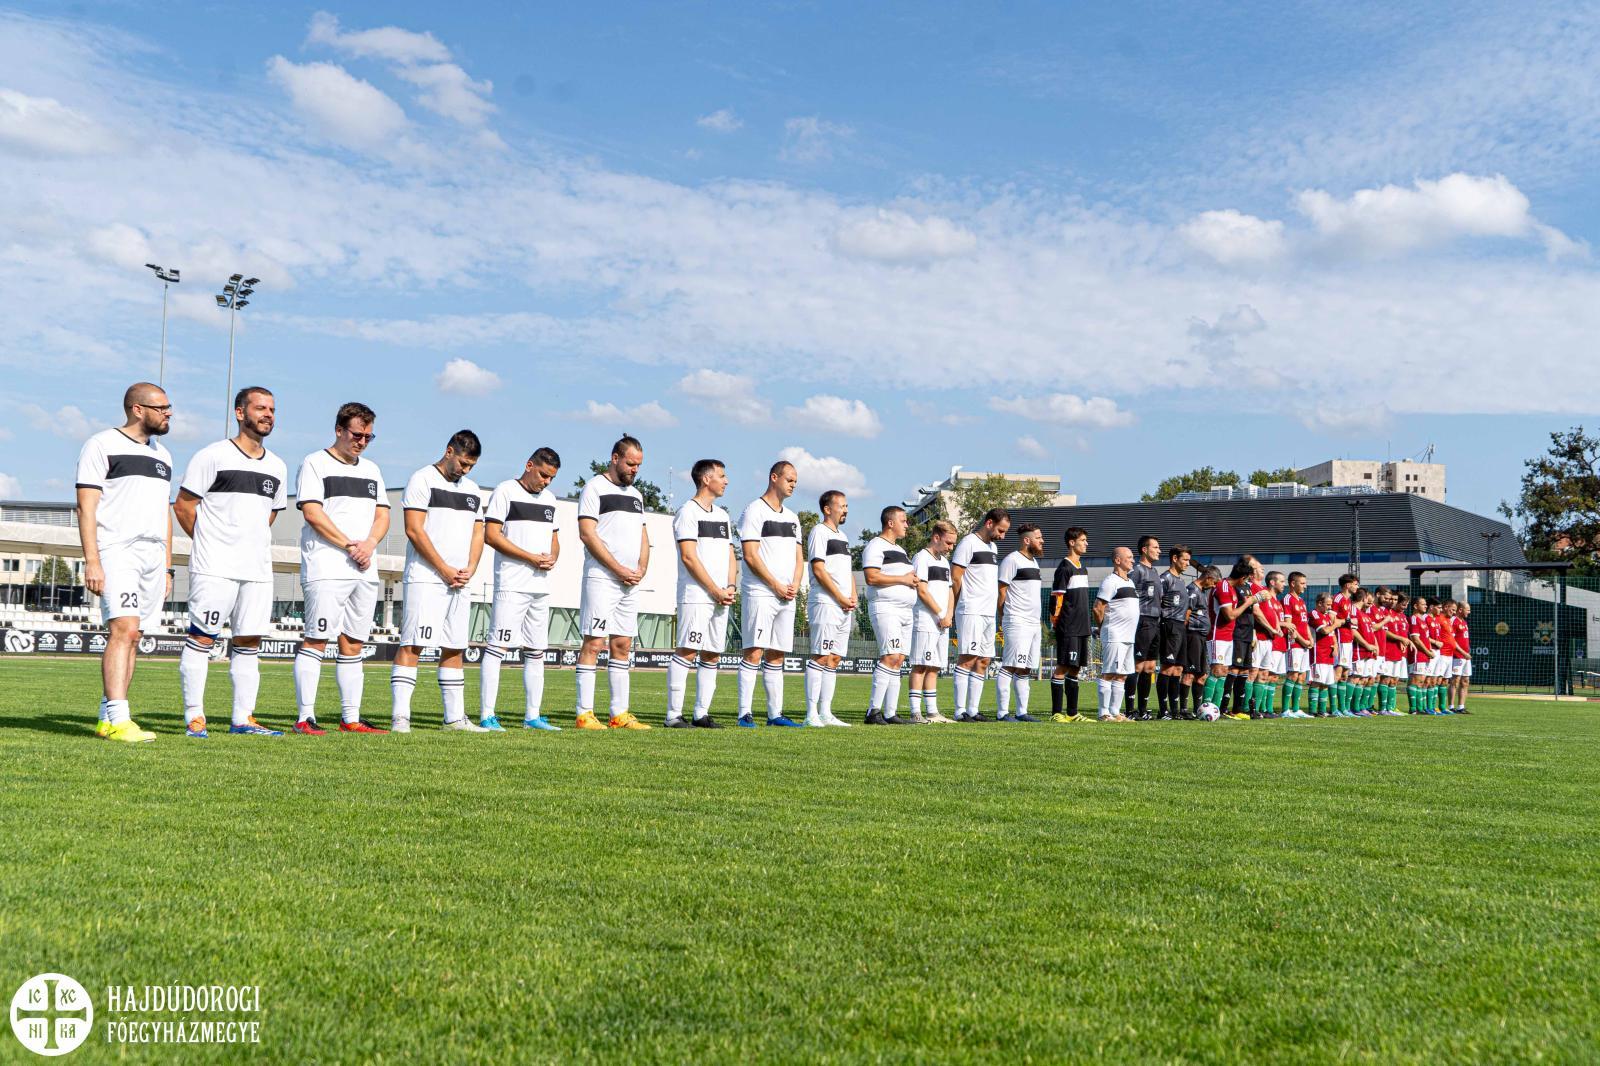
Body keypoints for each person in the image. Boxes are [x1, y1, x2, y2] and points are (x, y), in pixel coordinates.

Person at [174, 386, 288, 737]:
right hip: (215, 566)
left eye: (272, 409)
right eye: (260, 408)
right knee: (203, 638)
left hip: (256, 569)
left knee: (249, 642)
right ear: (240, 413)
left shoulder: (277, 466)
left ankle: (243, 718)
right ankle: (195, 718)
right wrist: (211, 541)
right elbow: (183, 506)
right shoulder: (212, 456)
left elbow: (268, 516)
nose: (268, 414)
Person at [76, 382, 173, 742]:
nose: (168, 413)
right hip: (117, 550)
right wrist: (92, 560)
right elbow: (86, 506)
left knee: (136, 637)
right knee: (124, 630)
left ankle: (108, 718)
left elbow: (164, 513)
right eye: (161, 407)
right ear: (138, 409)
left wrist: (167, 566)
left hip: (153, 556)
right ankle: (119, 719)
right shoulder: (101, 444)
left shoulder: (164, 455)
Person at [292, 402, 390, 735]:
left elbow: (383, 515)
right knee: (317, 639)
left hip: (364, 568)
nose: (362, 442)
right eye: (357, 435)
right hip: (327, 566)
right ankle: (305, 717)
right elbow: (312, 513)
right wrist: (350, 545)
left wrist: (370, 544)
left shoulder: (372, 470)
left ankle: (350, 718)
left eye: (368, 437)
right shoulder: (315, 463)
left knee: (353, 644)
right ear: (339, 430)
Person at [391, 430, 487, 732]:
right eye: (463, 463)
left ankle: (454, 718)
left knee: (454, 647)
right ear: (449, 451)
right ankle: (400, 718)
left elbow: (478, 532)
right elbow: (414, 530)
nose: (465, 470)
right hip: (426, 578)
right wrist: (443, 568)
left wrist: (470, 567)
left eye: (471, 466)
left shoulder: (472, 489)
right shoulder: (422, 479)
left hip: (459, 581)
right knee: (414, 644)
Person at [480, 447, 562, 730]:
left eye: (551, 478)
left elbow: (554, 539)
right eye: (543, 475)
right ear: (529, 465)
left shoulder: (550, 500)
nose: (546, 482)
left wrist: (553, 557)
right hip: (512, 584)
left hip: (540, 586)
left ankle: (532, 717)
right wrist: (529, 557)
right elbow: (491, 536)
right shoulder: (505, 491)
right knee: (498, 647)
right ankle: (487, 715)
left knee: (537, 651)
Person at [574, 435, 651, 730]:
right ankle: (584, 714)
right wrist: (618, 568)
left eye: (639, 465)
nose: (635, 469)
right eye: (631, 463)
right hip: (602, 579)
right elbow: (587, 533)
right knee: (594, 642)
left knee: (622, 644)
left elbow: (643, 535)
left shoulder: (637, 495)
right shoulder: (594, 487)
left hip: (629, 583)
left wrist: (641, 568)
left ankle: (619, 714)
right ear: (615, 458)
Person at [666, 458, 737, 728]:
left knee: (712, 654)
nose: (726, 480)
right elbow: (689, 557)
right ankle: (673, 715)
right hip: (697, 595)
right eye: (722, 475)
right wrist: (714, 589)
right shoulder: (687, 512)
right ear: (706, 479)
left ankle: (701, 714)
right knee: (688, 650)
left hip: (721, 596)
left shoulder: (722, 516)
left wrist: (730, 587)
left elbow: (730, 554)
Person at [737, 461, 804, 726]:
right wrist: (775, 584)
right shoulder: (754, 511)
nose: (793, 485)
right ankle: (744, 714)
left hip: (787, 595)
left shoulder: (793, 517)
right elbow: (750, 556)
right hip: (761, 593)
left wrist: (794, 584)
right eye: (789, 479)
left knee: (777, 654)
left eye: (795, 481)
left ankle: (775, 714)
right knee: (754, 652)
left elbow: (799, 557)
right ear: (774, 478)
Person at [950, 508, 1009, 721]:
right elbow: (956, 577)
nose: (1002, 536)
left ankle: (973, 710)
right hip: (971, 610)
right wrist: (958, 604)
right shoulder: (968, 543)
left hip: (988, 613)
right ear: (989, 523)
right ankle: (959, 711)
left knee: (983, 660)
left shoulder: (992, 547)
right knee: (968, 658)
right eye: (1000, 531)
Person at [862, 507, 918, 724]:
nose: (907, 525)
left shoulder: (901, 550)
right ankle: (873, 711)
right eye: (903, 521)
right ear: (890, 523)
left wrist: (912, 580)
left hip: (905, 611)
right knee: (890, 656)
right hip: (886, 608)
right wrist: (903, 580)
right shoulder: (875, 545)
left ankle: (890, 713)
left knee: (899, 659)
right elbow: (871, 577)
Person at [804, 489, 855, 727]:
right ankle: (811, 714)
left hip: (844, 606)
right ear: (827, 509)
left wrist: (851, 596)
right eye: (841, 506)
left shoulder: (843, 536)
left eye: (846, 506)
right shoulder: (819, 531)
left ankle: (826, 713)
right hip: (826, 602)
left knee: (834, 658)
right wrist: (840, 597)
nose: (845, 510)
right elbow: (819, 570)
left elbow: (847, 571)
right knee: (821, 656)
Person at [1202, 559, 1265, 720]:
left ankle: (1216, 710)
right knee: (1216, 671)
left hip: (1228, 636)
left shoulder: (1230, 587)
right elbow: (1229, 615)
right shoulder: (1223, 587)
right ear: (1242, 578)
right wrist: (1249, 601)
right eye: (1246, 579)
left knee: (1224, 672)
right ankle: (1206, 707)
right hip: (1218, 635)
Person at [994, 523, 1044, 722]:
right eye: (1038, 538)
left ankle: (1022, 712)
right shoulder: (1012, 560)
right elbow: (1001, 591)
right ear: (1027, 540)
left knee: (1025, 668)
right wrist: (1004, 616)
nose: (1042, 541)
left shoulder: (1034, 562)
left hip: (1033, 623)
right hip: (1017, 620)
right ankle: (1002, 713)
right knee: (1010, 665)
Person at [909, 520, 958, 724]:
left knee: (935, 666)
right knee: (921, 665)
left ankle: (932, 712)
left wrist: (949, 615)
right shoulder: (921, 558)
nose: (951, 548)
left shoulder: (944, 562)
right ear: (936, 537)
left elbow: (950, 591)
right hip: (926, 621)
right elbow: (922, 591)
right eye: (948, 543)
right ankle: (915, 712)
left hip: (942, 623)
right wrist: (940, 614)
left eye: (953, 544)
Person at [1048, 526, 1091, 723]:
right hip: (1069, 627)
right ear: (1072, 543)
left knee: (1076, 668)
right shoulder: (1064, 568)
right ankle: (1056, 713)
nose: (1086, 544)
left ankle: (1072, 713)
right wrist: (1057, 624)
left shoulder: (1083, 568)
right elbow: (1056, 599)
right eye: (1082, 540)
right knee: (1063, 666)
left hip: (1083, 626)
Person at [1093, 546, 1138, 722]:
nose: (1133, 560)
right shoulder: (1110, 581)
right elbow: (1098, 608)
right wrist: (1103, 627)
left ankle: (1115, 712)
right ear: (1118, 560)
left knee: (1122, 675)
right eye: (1129, 557)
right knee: (1109, 673)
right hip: (1115, 635)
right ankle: (1103, 713)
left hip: (1128, 637)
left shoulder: (1130, 582)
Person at [1127, 535, 1163, 719]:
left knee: (1150, 667)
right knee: (1137, 665)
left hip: (1156, 622)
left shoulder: (1154, 571)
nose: (1159, 551)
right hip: (1142, 620)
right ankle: (1130, 709)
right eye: (1155, 547)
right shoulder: (1136, 570)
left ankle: (1143, 709)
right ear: (1144, 549)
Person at [1157, 544, 1191, 719]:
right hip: (1169, 625)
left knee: (1178, 669)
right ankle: (1163, 710)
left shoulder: (1181, 581)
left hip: (1180, 627)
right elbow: (1157, 602)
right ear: (1175, 559)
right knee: (1167, 667)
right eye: (1185, 559)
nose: (1188, 563)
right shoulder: (1165, 579)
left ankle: (1175, 710)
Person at [1180, 566, 1218, 718]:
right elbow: (1186, 614)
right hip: (1193, 635)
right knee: (1189, 673)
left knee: (1202, 675)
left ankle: (1198, 709)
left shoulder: (1202, 591)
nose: (1214, 586)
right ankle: (1183, 709)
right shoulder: (1192, 590)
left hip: (1202, 636)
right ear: (1208, 577)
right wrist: (1185, 635)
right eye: (1214, 582)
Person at [1280, 572, 1314, 718]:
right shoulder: (1288, 599)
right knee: (1293, 674)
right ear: (1293, 584)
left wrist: (1310, 638)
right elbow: (1289, 626)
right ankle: (1285, 710)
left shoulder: (1301, 601)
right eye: (1302, 583)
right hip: (1294, 644)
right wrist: (1302, 640)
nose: (1305, 586)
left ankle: (1296, 709)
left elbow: (1304, 623)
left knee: (1302, 676)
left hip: (1304, 644)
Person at [1308, 593, 1340, 716]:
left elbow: (1332, 634)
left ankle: (1322, 711)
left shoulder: (1326, 616)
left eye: (1331, 605)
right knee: (1317, 682)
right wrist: (1335, 624)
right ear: (1320, 603)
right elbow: (1324, 630)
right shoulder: (1314, 614)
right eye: (1328, 605)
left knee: (1326, 684)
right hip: (1318, 654)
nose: (1330, 608)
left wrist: (1335, 646)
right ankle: (1312, 711)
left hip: (1328, 655)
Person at [1450, 602, 1473, 713]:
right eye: (1467, 610)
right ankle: (1451, 707)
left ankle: (1461, 707)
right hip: (1457, 656)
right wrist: (1463, 652)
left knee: (1465, 681)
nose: (1469, 612)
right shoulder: (1453, 621)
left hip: (1465, 657)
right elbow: (1452, 641)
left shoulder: (1464, 622)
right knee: (1455, 681)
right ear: (1460, 610)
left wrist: (1467, 651)